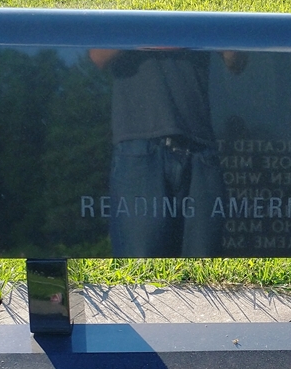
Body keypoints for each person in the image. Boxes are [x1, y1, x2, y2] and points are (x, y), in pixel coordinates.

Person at [90, 48, 246, 256]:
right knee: (139, 277)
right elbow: (98, 55)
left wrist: (218, 28)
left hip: (200, 149)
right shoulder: (122, 14)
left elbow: (236, 59)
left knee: (202, 277)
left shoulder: (202, 14)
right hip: (139, 149)